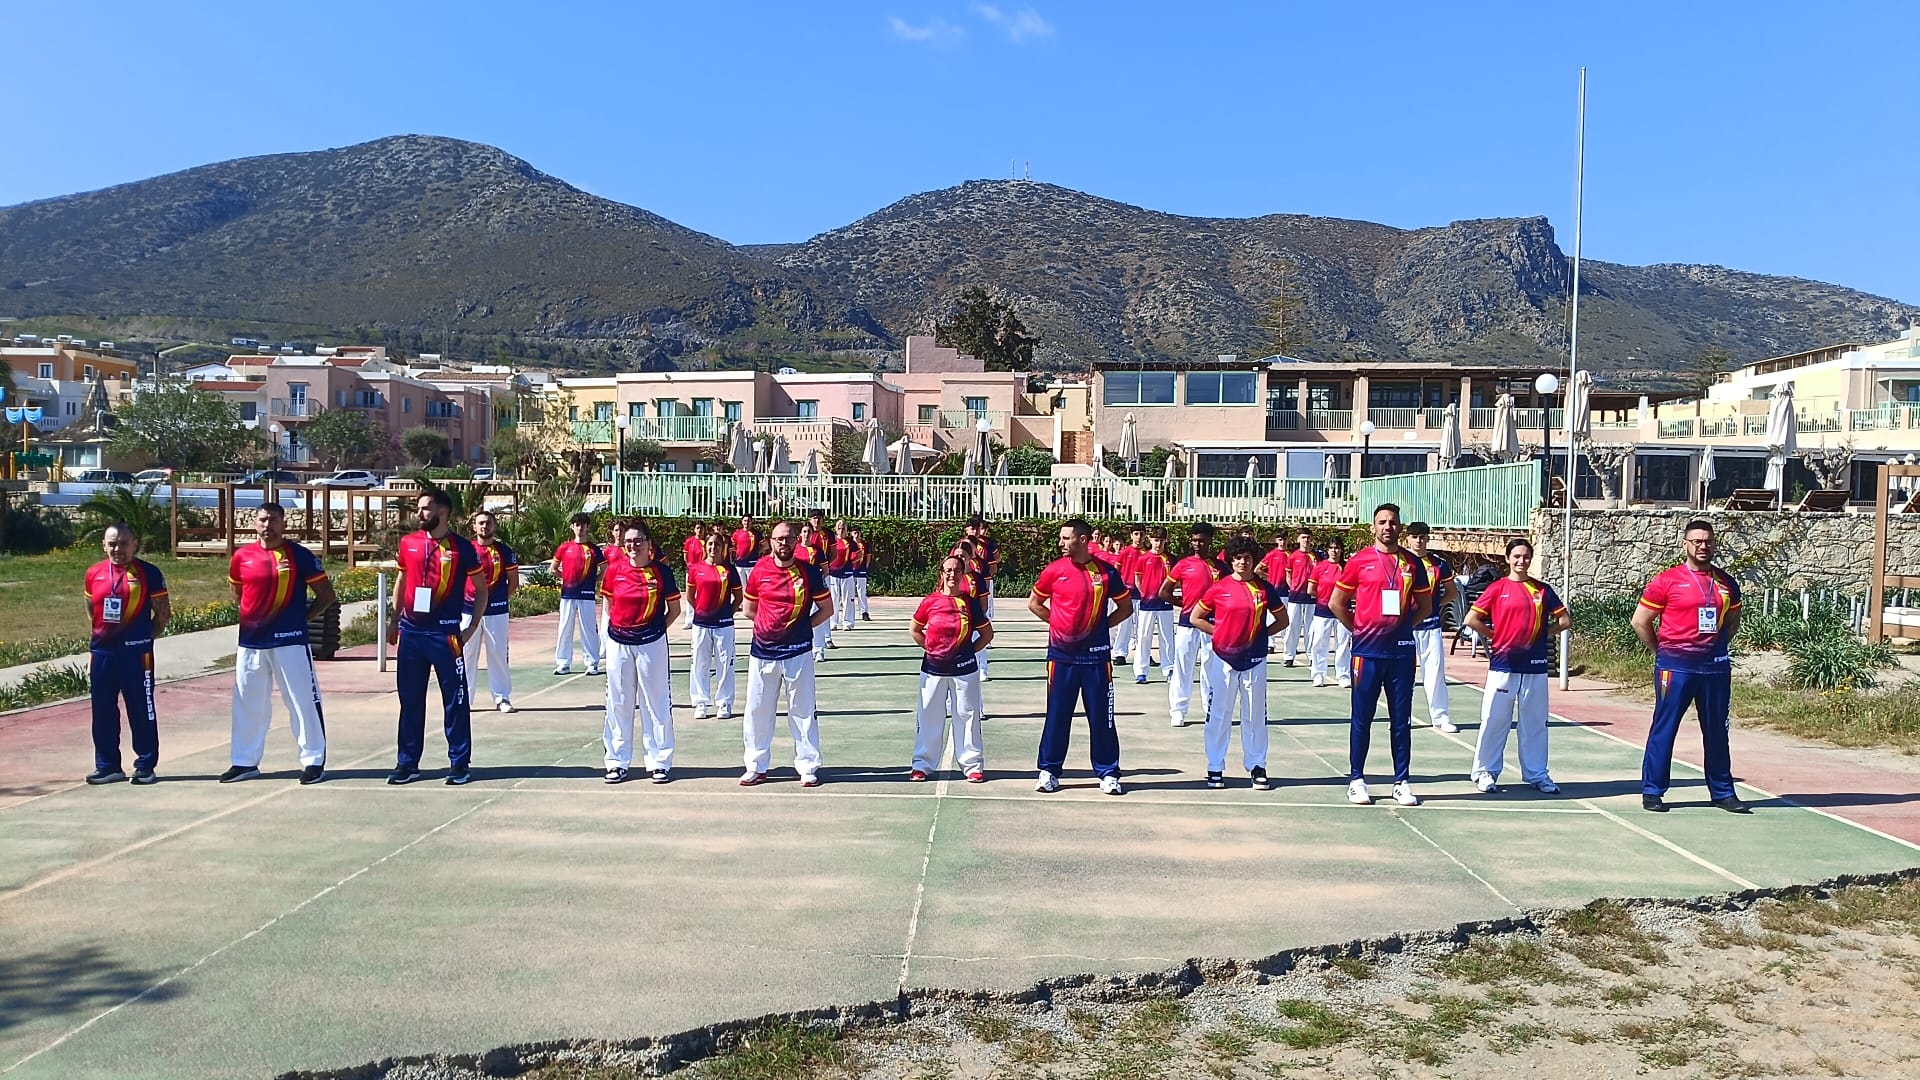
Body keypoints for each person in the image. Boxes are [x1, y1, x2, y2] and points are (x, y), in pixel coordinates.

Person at [1630, 520, 1747, 813]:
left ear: (1714, 543)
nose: (1703, 546)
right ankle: (1653, 791)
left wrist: (1716, 647)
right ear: (1685, 545)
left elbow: (1732, 622)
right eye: (1696, 541)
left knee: (1717, 731)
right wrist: (1661, 651)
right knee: (1665, 728)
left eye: (1708, 541)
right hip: (1675, 669)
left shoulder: (1726, 583)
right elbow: (1640, 621)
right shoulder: (1667, 581)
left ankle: (1723, 792)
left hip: (1715, 669)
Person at [1330, 503, 1432, 807]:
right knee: (1362, 718)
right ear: (1373, 527)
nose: (1388, 527)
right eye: (1382, 522)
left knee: (1401, 720)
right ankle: (1356, 780)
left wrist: (1403, 627)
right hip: (1367, 653)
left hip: (1401, 655)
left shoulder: (1412, 564)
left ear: (1400, 527)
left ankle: (1401, 782)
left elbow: (1425, 607)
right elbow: (1337, 603)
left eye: (1393, 522)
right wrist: (1359, 629)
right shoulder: (1359, 561)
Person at [225, 504, 336, 784]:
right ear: (255, 523)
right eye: (263, 520)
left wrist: (302, 619)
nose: (268, 525)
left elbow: (326, 595)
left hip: (291, 642)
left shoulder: (299, 555)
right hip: (251, 643)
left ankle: (313, 760)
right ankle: (244, 761)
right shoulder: (241, 556)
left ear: (283, 524)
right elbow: (237, 592)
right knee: (247, 703)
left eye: (274, 520)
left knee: (302, 701)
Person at [386, 489, 488, 785]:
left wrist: (471, 627)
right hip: (411, 634)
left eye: (425, 508)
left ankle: (459, 763)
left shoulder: (462, 549)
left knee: (455, 701)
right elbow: (401, 580)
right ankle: (407, 763)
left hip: (445, 635)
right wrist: (394, 619)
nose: (419, 514)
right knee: (410, 701)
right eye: (418, 508)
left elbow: (481, 589)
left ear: (442, 512)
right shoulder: (409, 543)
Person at [1028, 518, 1132, 795]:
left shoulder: (1106, 573)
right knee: (1057, 715)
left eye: (1066, 538)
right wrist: (1058, 624)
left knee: (1102, 718)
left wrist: (1101, 627)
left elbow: (1125, 607)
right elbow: (1035, 603)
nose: (1060, 543)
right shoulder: (1054, 571)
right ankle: (1049, 770)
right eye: (1061, 538)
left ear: (1083, 540)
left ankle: (1108, 772)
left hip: (1097, 659)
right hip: (1061, 657)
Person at [1463, 538, 1571, 794]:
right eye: (1516, 556)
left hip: (1535, 667)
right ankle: (1485, 772)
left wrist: (1544, 634)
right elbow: (1471, 619)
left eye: (1526, 556)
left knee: (1535, 723)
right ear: (1508, 559)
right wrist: (1495, 636)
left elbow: (1564, 620)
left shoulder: (1542, 590)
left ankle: (1537, 773)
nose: (1521, 561)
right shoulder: (1497, 588)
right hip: (1503, 666)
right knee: (1494, 720)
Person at [741, 520, 834, 786]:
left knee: (802, 710)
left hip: (798, 652)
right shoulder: (759, 570)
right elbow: (749, 609)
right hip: (763, 652)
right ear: (771, 542)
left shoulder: (809, 572)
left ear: (796, 541)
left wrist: (801, 627)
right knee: (757, 711)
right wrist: (770, 627)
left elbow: (827, 609)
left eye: (789, 538)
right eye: (779, 538)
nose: (784, 543)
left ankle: (808, 765)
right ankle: (756, 765)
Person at [1190, 536, 1286, 790]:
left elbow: (1283, 620)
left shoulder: (1264, 589)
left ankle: (1257, 765)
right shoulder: (1219, 588)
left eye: (1247, 558)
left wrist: (1262, 637)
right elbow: (1196, 617)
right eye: (1238, 558)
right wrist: (1219, 633)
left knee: (1255, 714)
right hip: (1223, 659)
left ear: (1254, 561)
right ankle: (1215, 766)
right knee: (1219, 714)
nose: (1243, 562)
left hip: (1255, 659)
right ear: (1231, 560)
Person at [83, 522, 171, 784]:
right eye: (112, 544)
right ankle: (108, 765)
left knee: (141, 709)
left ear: (135, 544)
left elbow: (163, 614)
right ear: (104, 545)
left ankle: (145, 765)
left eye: (123, 543)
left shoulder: (149, 573)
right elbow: (91, 609)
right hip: (102, 654)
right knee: (102, 711)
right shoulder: (94, 572)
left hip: (137, 656)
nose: (117, 549)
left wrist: (144, 639)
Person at [599, 519, 682, 784]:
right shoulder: (614, 570)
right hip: (619, 643)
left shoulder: (661, 572)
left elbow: (674, 610)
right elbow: (609, 604)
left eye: (638, 541)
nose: (632, 546)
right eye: (628, 542)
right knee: (618, 701)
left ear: (648, 543)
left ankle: (659, 762)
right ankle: (616, 761)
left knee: (655, 702)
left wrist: (653, 632)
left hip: (651, 644)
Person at [909, 554, 994, 783]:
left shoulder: (970, 603)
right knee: (929, 715)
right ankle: (922, 765)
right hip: (933, 669)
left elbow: (987, 634)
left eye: (957, 570)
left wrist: (968, 652)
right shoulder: (930, 601)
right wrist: (931, 648)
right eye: (948, 570)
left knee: (968, 716)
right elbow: (915, 629)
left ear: (962, 574)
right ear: (941, 574)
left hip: (964, 670)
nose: (952, 575)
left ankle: (972, 765)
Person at [1165, 522, 1225, 727]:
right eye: (1195, 540)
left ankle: (1210, 708)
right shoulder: (1183, 564)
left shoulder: (1220, 567)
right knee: (1183, 667)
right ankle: (1178, 710)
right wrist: (1183, 604)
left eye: (1202, 540)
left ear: (1210, 541)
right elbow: (1164, 592)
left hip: (1211, 625)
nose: (1198, 544)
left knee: (1211, 668)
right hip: (1187, 624)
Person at [463, 509, 519, 713]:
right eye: (481, 523)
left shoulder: (504, 552)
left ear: (494, 526)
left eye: (488, 523)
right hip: (467, 610)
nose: (484, 526)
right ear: (474, 526)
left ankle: (502, 698)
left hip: (496, 611)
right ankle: (464, 699)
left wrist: (498, 601)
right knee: (466, 655)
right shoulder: (466, 550)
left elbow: (513, 582)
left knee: (497, 654)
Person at [1404, 522, 1458, 732]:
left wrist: (1432, 605)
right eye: (1414, 536)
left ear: (1427, 538)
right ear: (1407, 538)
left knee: (1435, 672)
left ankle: (1440, 716)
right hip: (1405, 627)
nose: (1418, 541)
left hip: (1431, 625)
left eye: (1422, 537)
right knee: (1403, 674)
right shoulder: (1401, 561)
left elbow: (1451, 593)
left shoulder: (1438, 564)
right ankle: (1402, 716)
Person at [687, 528, 740, 720]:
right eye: (710, 544)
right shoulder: (696, 569)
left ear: (722, 547)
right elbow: (690, 596)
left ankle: (724, 702)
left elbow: (738, 597)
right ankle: (701, 702)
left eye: (717, 544)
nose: (713, 547)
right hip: (701, 624)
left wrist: (726, 614)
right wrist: (702, 612)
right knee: (699, 663)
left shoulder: (729, 570)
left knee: (725, 664)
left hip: (724, 625)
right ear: (705, 546)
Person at [549, 512, 604, 676]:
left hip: (587, 595)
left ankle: (592, 663)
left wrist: (594, 581)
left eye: (583, 525)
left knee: (589, 629)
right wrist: (566, 579)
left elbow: (605, 570)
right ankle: (563, 663)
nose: (580, 528)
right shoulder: (564, 547)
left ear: (588, 527)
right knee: (564, 628)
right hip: (568, 595)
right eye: (577, 525)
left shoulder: (594, 550)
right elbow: (553, 569)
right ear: (572, 527)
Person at [1129, 528, 1175, 684]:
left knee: (1167, 637)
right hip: (1147, 604)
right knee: (1143, 637)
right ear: (1150, 540)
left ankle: (1169, 669)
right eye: (1156, 540)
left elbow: (1176, 580)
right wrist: (1144, 593)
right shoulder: (1143, 558)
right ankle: (1141, 672)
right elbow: (1137, 579)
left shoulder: (1170, 559)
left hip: (1165, 604)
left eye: (1161, 540)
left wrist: (1169, 594)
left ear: (1165, 541)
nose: (1158, 543)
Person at [1307, 539, 1351, 689]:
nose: (1334, 551)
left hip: (1342, 611)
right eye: (1331, 548)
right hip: (1322, 611)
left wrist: (1341, 600)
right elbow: (1311, 589)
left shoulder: (1347, 567)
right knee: (1319, 642)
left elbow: (1354, 588)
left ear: (1341, 550)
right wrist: (1325, 599)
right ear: (1327, 550)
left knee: (1343, 643)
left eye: (1337, 548)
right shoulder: (1320, 567)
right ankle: (1318, 674)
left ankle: (1343, 675)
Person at [796, 523, 834, 660]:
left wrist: (817, 581)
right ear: (800, 534)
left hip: (814, 590)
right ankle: (802, 649)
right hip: (798, 590)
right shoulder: (794, 549)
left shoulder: (817, 551)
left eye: (809, 532)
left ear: (812, 535)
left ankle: (819, 650)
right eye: (804, 531)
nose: (806, 534)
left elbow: (825, 570)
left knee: (816, 618)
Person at [1280, 530, 1317, 666]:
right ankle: (1289, 655)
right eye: (1303, 537)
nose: (1306, 540)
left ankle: (1311, 656)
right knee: (1292, 627)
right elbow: (1288, 575)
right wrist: (1293, 588)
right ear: (1298, 539)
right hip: (1295, 597)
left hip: (1312, 598)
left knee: (1311, 629)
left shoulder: (1317, 556)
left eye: (1308, 537)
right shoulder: (1293, 556)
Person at [1113, 524, 1145, 664]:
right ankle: (1119, 653)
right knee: (1124, 626)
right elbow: (1116, 571)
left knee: (1142, 627)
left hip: (1142, 594)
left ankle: (1143, 654)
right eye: (1136, 534)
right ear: (1131, 535)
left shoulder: (1147, 553)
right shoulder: (1125, 552)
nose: (1139, 537)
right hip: (1127, 593)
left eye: (1141, 534)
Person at [827, 519, 857, 632]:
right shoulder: (832, 540)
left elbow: (858, 555)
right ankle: (833, 622)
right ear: (836, 529)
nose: (841, 530)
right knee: (833, 599)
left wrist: (850, 563)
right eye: (839, 528)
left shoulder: (850, 542)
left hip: (847, 574)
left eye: (843, 528)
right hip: (833, 574)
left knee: (848, 599)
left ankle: (847, 623)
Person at [679, 523, 706, 629]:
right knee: (690, 595)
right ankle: (689, 620)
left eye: (701, 528)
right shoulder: (689, 541)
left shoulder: (706, 542)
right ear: (694, 529)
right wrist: (690, 567)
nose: (699, 530)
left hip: (703, 573)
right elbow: (685, 556)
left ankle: (700, 617)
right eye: (698, 528)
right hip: (691, 572)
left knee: (702, 596)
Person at [848, 524, 872, 622]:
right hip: (850, 570)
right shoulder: (849, 543)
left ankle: (864, 612)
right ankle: (850, 613)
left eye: (858, 533)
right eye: (854, 533)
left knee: (862, 592)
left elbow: (868, 556)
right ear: (851, 533)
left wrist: (865, 567)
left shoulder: (864, 544)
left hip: (861, 570)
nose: (856, 535)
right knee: (850, 593)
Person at [731, 515, 761, 586]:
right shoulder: (736, 534)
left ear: (751, 522)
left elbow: (765, 546)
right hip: (739, 564)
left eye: (748, 521)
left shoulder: (757, 534)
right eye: (745, 521)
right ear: (742, 522)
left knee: (752, 586)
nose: (746, 523)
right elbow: (733, 547)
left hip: (751, 564)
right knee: (741, 586)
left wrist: (757, 552)